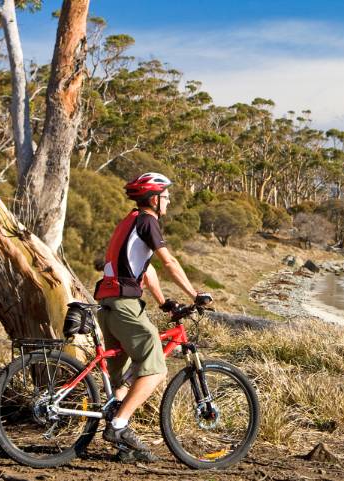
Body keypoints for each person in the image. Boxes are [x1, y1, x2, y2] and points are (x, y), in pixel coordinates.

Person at [93, 172, 212, 462]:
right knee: (157, 369)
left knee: (123, 379)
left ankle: (124, 445)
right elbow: (167, 262)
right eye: (166, 196)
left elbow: (144, 269)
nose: (169, 201)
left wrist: (163, 303)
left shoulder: (129, 222)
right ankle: (119, 427)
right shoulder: (148, 221)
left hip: (108, 304)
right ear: (154, 199)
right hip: (124, 304)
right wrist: (194, 293)